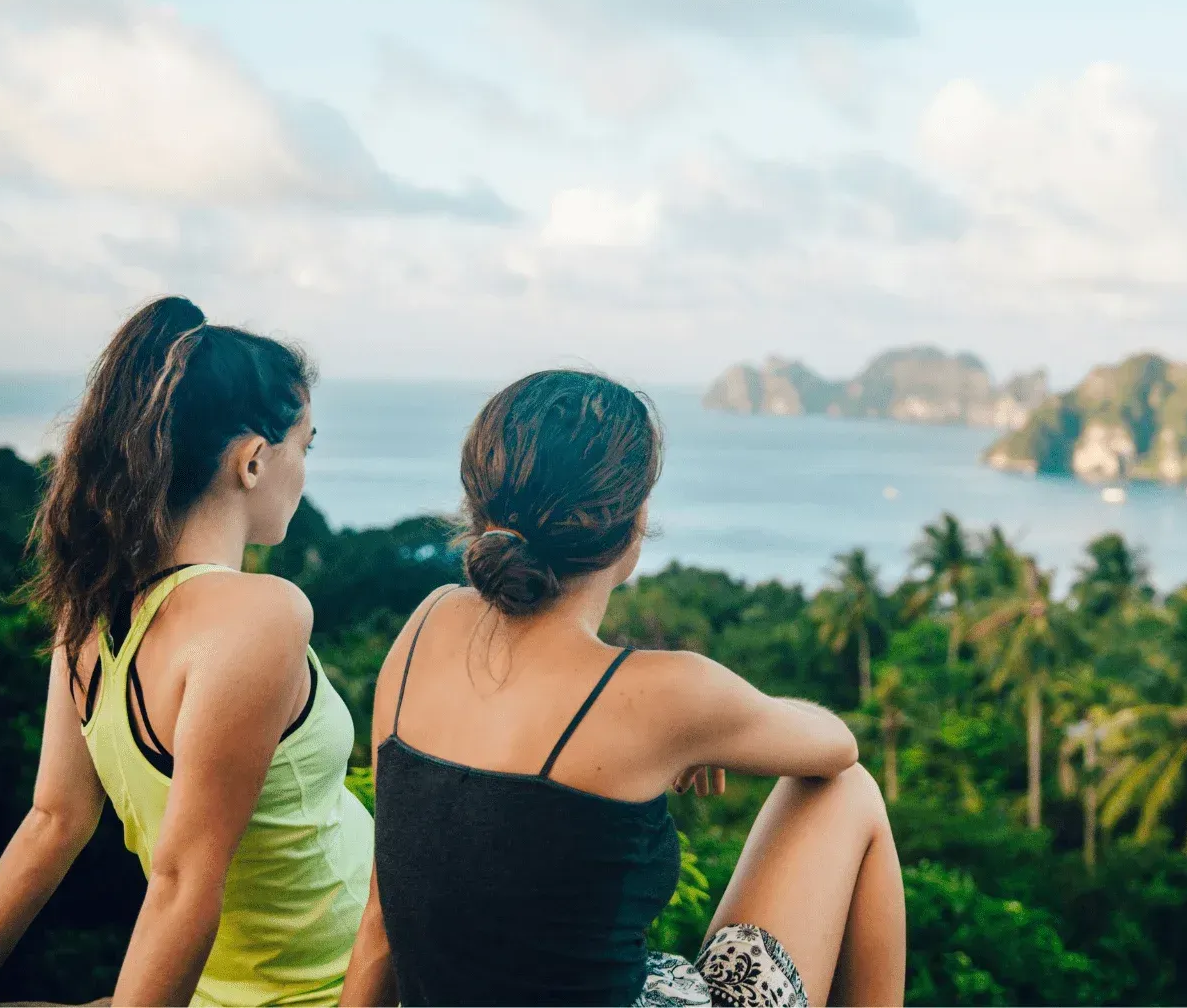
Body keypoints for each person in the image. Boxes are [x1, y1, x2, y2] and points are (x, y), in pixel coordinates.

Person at [341, 369, 905, 1008]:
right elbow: (836, 746)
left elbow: (382, 921)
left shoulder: (425, 627)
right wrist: (708, 732)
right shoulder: (662, 694)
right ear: (634, 521)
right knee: (849, 791)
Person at [0, 297, 372, 1006]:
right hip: (327, 988)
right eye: (305, 445)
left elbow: (52, 823)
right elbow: (182, 880)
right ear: (252, 461)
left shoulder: (90, 611)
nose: (303, 470)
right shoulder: (263, 613)